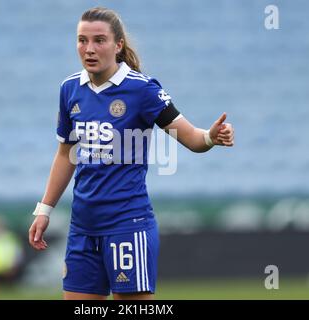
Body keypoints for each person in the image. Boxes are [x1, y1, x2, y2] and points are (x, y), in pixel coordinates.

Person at [28, 7, 234, 300]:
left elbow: (192, 139)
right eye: (82, 40)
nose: (89, 49)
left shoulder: (142, 89)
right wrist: (44, 210)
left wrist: (211, 137)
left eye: (99, 40)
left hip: (127, 224)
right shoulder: (70, 89)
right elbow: (66, 154)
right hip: (83, 228)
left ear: (118, 44)